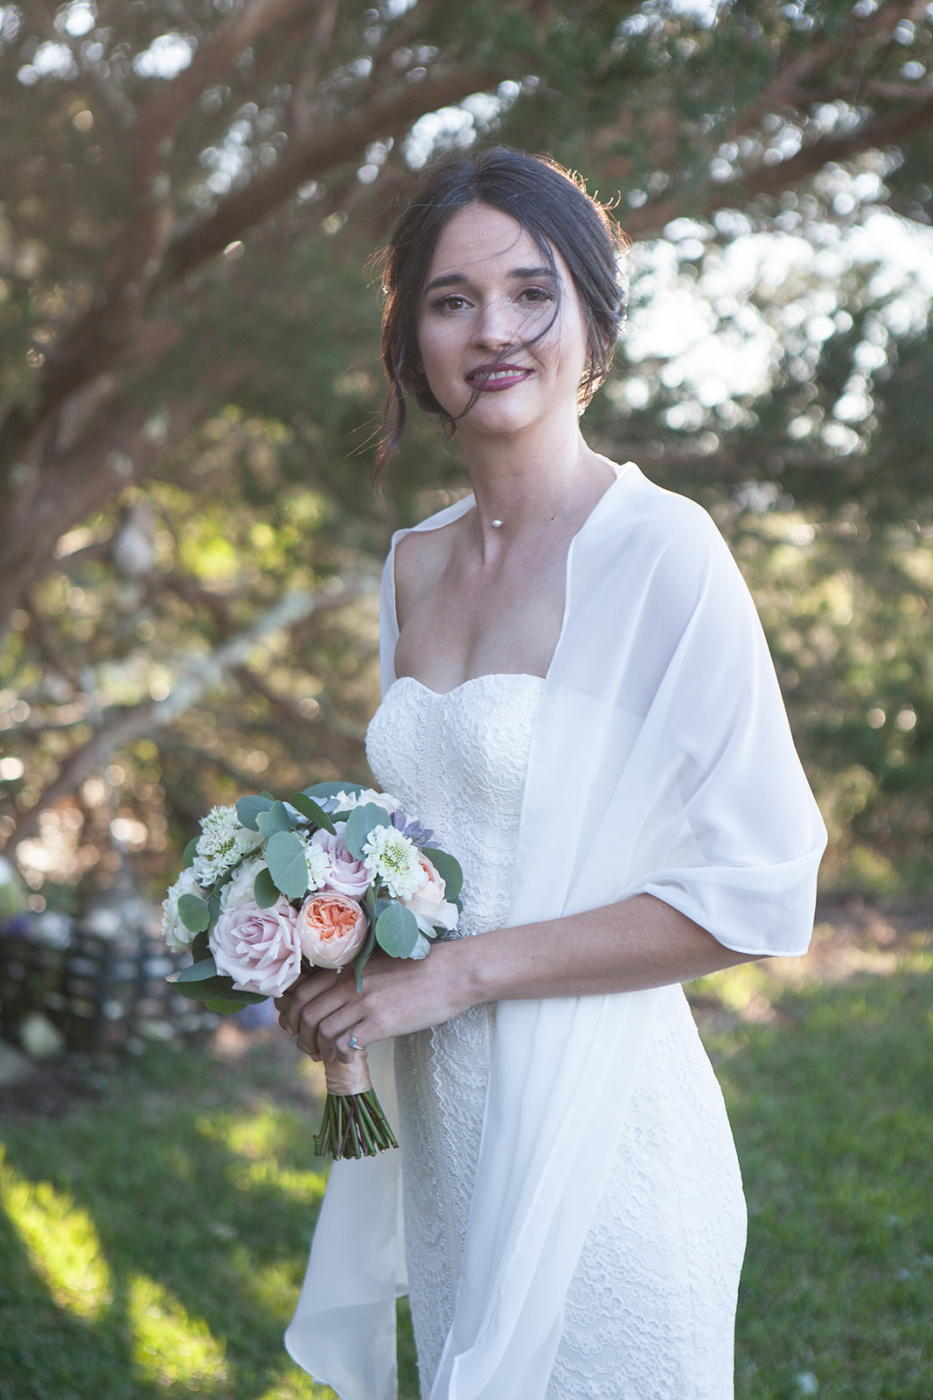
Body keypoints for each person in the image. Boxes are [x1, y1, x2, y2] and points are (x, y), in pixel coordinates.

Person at [276, 147, 826, 1400]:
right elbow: (430, 854)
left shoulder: (666, 550)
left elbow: (760, 887)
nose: (495, 330)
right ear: (412, 342)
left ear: (593, 320)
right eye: (452, 299)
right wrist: (340, 965)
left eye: (532, 292)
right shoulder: (410, 565)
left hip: (607, 1129)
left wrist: (457, 973)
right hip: (452, 1147)